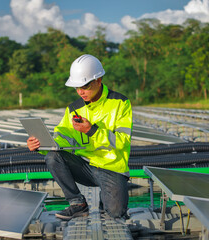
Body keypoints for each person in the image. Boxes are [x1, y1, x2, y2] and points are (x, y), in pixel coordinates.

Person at [27, 54, 132, 220]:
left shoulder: (120, 103)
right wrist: (40, 145)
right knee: (53, 156)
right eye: (76, 87)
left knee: (116, 213)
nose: (80, 92)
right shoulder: (74, 109)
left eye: (85, 86)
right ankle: (77, 204)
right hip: (85, 167)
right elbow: (61, 139)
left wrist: (92, 130)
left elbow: (122, 142)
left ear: (99, 80)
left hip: (112, 169)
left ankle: (107, 199)